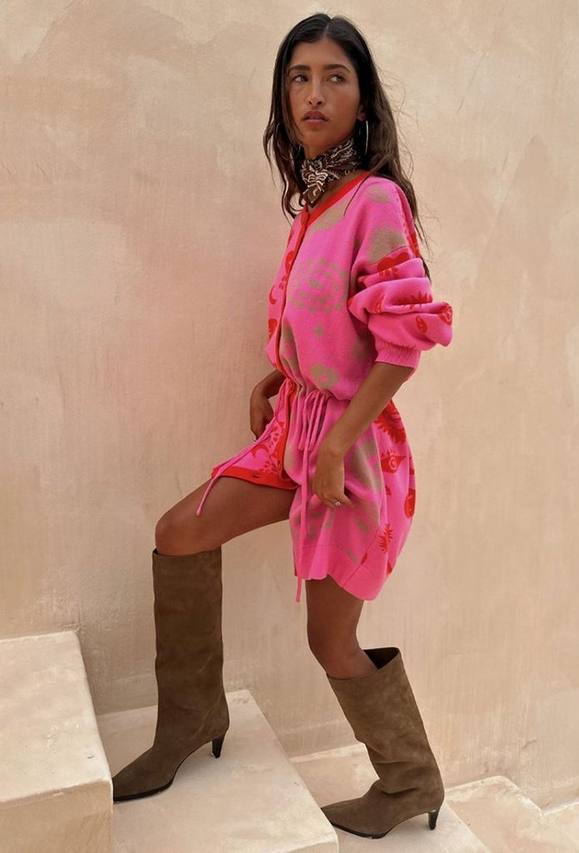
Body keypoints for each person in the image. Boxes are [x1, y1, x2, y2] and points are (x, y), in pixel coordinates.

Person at [112, 11, 453, 841]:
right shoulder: (316, 204)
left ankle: (410, 779)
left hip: (352, 452)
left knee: (329, 640)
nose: (314, 93)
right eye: (300, 76)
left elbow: (404, 345)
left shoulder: (374, 199)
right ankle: (191, 716)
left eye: (335, 76)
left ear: (364, 99)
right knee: (179, 532)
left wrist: (335, 441)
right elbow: (333, 323)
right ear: (283, 95)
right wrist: (284, 371)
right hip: (295, 433)